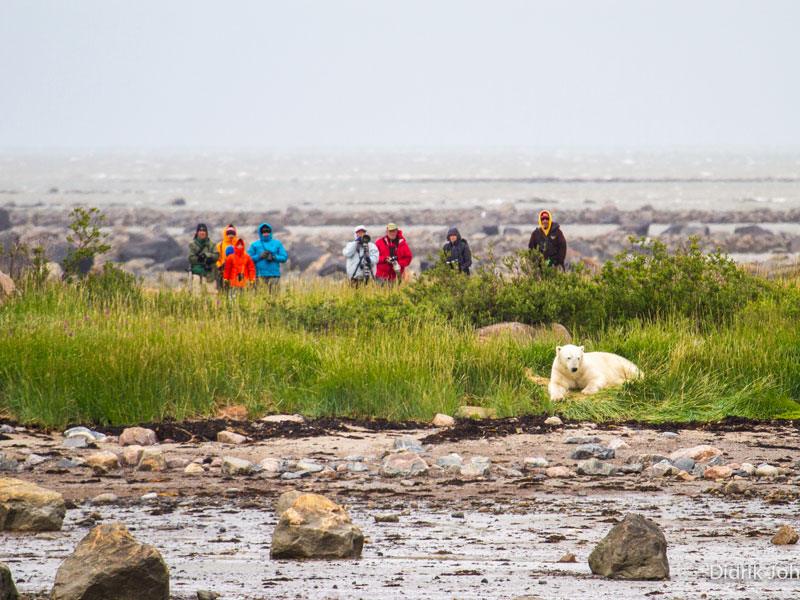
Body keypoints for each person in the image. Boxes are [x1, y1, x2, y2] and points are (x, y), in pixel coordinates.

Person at [247, 222, 288, 292]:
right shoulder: (255, 245)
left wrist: (274, 257)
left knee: (274, 298)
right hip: (259, 276)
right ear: (260, 232)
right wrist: (259, 256)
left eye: (268, 231)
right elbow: (247, 259)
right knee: (260, 297)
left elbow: (284, 257)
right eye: (264, 231)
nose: (266, 233)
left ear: (271, 232)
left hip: (274, 275)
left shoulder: (277, 244)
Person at [187, 223, 220, 292]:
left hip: (210, 274)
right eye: (200, 231)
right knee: (196, 295)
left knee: (212, 296)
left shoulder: (212, 244)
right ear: (197, 233)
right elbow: (191, 258)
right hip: (197, 274)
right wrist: (201, 259)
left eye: (204, 231)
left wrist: (207, 255)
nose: (202, 233)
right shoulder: (192, 245)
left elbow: (216, 256)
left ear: (206, 232)